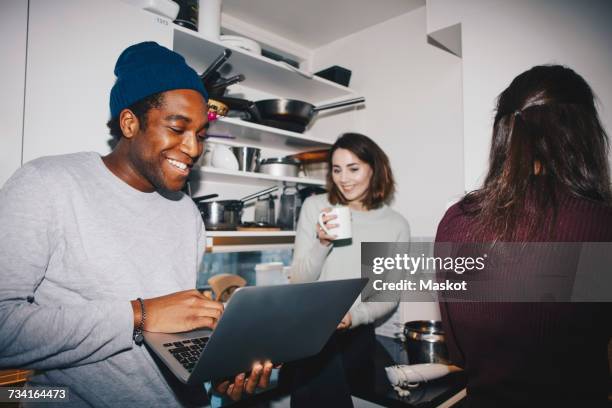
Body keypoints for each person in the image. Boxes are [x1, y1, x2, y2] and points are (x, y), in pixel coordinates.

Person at [0, 41, 271, 407]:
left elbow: (172, 328)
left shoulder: (186, 212)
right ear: (130, 123)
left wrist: (220, 369)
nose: (193, 148)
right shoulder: (47, 183)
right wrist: (139, 314)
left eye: (201, 135)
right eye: (178, 128)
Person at [435, 65, 612, 407]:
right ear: (584, 133)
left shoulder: (456, 220)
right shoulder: (602, 225)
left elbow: (457, 350)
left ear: (504, 132)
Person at [286, 132, 411, 407]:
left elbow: (388, 295)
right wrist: (322, 243)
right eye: (337, 169)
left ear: (374, 168)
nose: (344, 178)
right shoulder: (316, 207)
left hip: (358, 336)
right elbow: (298, 279)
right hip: (313, 334)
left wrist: (354, 316)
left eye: (354, 168)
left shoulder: (395, 225)